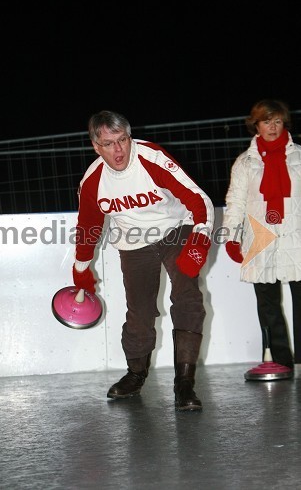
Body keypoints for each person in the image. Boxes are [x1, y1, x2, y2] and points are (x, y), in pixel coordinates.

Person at [72, 110, 214, 411]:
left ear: (129, 136)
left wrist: (200, 238)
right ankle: (136, 375)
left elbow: (198, 198)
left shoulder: (151, 158)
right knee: (140, 312)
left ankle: (184, 384)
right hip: (133, 244)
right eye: (109, 144)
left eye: (122, 140)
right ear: (96, 147)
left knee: (187, 295)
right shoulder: (93, 181)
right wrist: (81, 268)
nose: (119, 150)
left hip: (176, 229)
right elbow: (88, 229)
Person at [223, 99, 301, 380]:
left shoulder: (299, 157)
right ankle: (281, 360)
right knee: (267, 304)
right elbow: (235, 202)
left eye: (278, 121)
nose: (273, 127)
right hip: (262, 237)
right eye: (267, 121)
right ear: (255, 125)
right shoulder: (245, 162)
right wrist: (232, 237)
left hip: (296, 236)